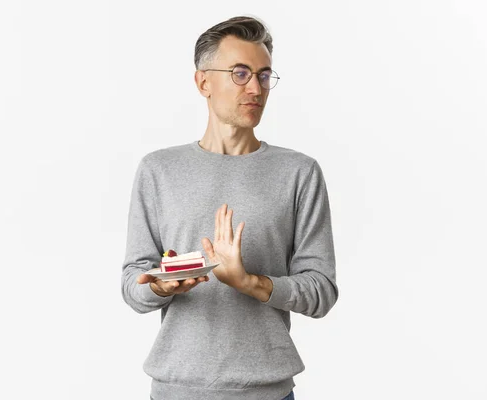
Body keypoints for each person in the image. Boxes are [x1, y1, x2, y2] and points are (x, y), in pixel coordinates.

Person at [121, 15, 338, 400]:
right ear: (203, 81)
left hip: (267, 392)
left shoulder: (299, 173)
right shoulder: (158, 170)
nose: (255, 87)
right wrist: (161, 285)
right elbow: (133, 284)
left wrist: (250, 282)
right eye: (240, 73)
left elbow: (321, 291)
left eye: (264, 75)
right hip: (176, 391)